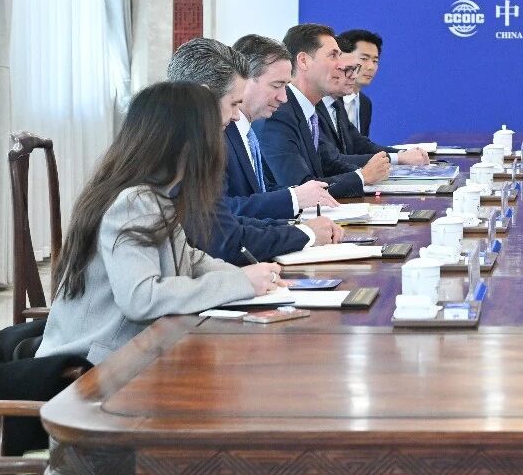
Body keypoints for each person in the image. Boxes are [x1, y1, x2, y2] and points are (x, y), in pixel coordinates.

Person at [36, 82, 286, 365]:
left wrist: (253, 277)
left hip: (126, 356)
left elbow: (190, 259)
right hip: (92, 370)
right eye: (216, 133)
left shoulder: (153, 194)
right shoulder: (134, 203)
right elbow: (142, 298)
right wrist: (240, 282)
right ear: (187, 143)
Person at [166, 38, 341, 259]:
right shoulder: (189, 150)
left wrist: (299, 228)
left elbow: (226, 221)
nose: (236, 115)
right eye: (233, 103)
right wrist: (305, 232)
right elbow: (224, 237)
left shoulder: (199, 140)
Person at [256, 24, 390, 198]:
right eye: (333, 55)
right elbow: (300, 188)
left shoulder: (308, 112)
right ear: (304, 61)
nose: (342, 65)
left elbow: (330, 163)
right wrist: (362, 177)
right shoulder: (279, 113)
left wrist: (374, 172)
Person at [226, 34, 337, 220]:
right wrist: (294, 199)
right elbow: (224, 211)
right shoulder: (220, 135)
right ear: (244, 79)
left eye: (286, 86)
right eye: (277, 85)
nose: (284, 98)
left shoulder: (247, 133)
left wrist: (299, 196)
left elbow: (261, 191)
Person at [322, 32, 429, 165]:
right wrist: (398, 158)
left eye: (375, 61)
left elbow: (360, 144)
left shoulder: (348, 104)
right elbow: (329, 160)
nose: (370, 67)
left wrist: (403, 154)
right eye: (364, 59)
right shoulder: (319, 104)